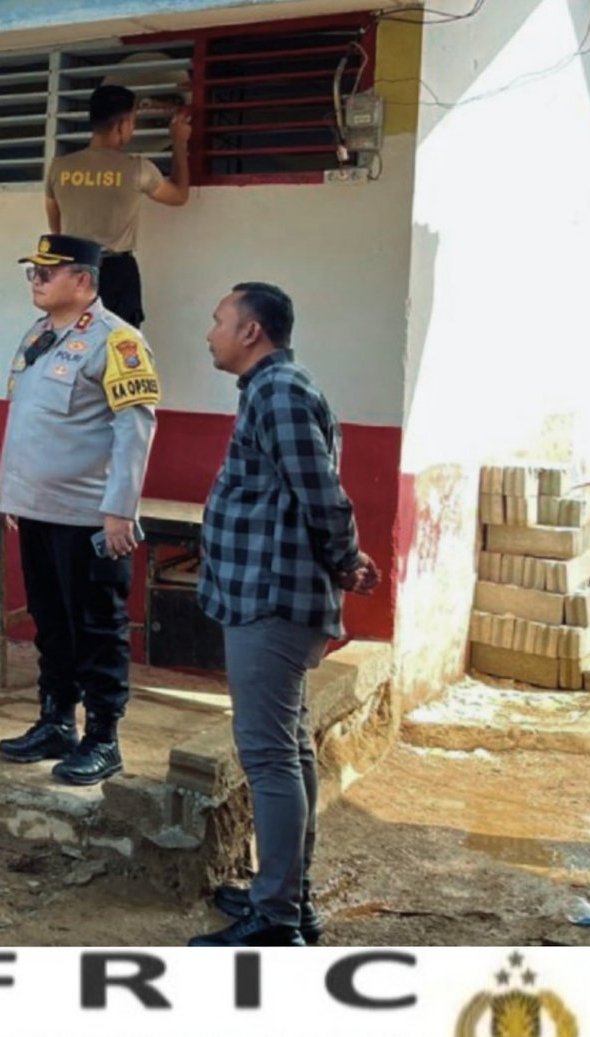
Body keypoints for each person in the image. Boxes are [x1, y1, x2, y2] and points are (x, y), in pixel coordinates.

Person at [189, 283, 379, 947]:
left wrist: (347, 558)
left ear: (251, 331)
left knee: (270, 756)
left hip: (273, 598)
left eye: (219, 319)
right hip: (267, 594)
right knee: (287, 752)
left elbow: (321, 494)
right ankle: (287, 897)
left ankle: (276, 918)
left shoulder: (280, 392)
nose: (209, 331)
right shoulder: (270, 390)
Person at [0, 234, 159, 787]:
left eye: (48, 272)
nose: (37, 281)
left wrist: (120, 510)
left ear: (84, 281)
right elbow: (29, 419)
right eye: (33, 272)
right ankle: (56, 721)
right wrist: (14, 495)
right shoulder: (39, 334)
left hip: (89, 515)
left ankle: (103, 738)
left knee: (97, 629)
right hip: (37, 509)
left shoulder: (118, 341)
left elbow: (135, 429)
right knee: (51, 624)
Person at [44, 86, 191, 327]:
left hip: (72, 268)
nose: (133, 128)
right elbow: (179, 195)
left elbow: (55, 221)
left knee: (73, 337)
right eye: (132, 121)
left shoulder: (59, 167)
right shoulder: (136, 168)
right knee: (120, 342)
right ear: (121, 125)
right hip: (116, 272)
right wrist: (179, 142)